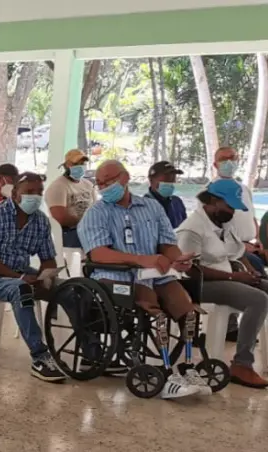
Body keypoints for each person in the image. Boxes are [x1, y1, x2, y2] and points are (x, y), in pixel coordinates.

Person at [78, 160, 207, 399]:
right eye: (100, 183)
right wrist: (141, 259)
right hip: (115, 277)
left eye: (108, 180)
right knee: (154, 309)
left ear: (125, 178)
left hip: (154, 275)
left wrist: (177, 260)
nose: (104, 186)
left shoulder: (151, 208)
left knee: (185, 307)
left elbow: (168, 243)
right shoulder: (96, 213)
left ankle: (188, 366)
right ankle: (167, 373)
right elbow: (97, 253)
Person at [0, 173, 65, 382]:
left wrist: (47, 275)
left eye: (39, 192)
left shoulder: (40, 221)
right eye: (29, 192)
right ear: (14, 194)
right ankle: (40, 357)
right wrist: (21, 277)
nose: (35, 197)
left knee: (70, 289)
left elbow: (48, 258)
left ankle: (91, 353)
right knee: (21, 290)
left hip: (20, 274)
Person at [176, 179, 268, 388]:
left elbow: (237, 251)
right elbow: (190, 269)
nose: (233, 212)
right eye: (229, 206)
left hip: (228, 277)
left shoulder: (223, 223)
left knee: (265, 287)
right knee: (258, 299)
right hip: (198, 285)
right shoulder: (192, 229)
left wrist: (250, 270)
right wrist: (234, 278)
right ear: (213, 201)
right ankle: (242, 364)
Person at [209, 147, 265, 274]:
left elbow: (252, 218)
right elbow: (210, 230)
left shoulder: (244, 190)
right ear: (215, 165)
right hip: (231, 250)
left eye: (232, 158)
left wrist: (259, 241)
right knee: (257, 268)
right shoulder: (210, 192)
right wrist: (242, 247)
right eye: (223, 159)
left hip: (252, 245)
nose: (229, 163)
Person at [45, 149, 94, 251]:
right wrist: (86, 222)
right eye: (76, 163)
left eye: (82, 163)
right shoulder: (58, 187)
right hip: (69, 233)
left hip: (89, 230)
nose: (80, 166)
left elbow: (96, 208)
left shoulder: (88, 185)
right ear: (67, 165)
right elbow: (60, 219)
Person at [146, 161, 187, 229]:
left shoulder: (177, 202)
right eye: (166, 179)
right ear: (151, 180)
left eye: (173, 179)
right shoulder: (142, 207)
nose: (170, 183)